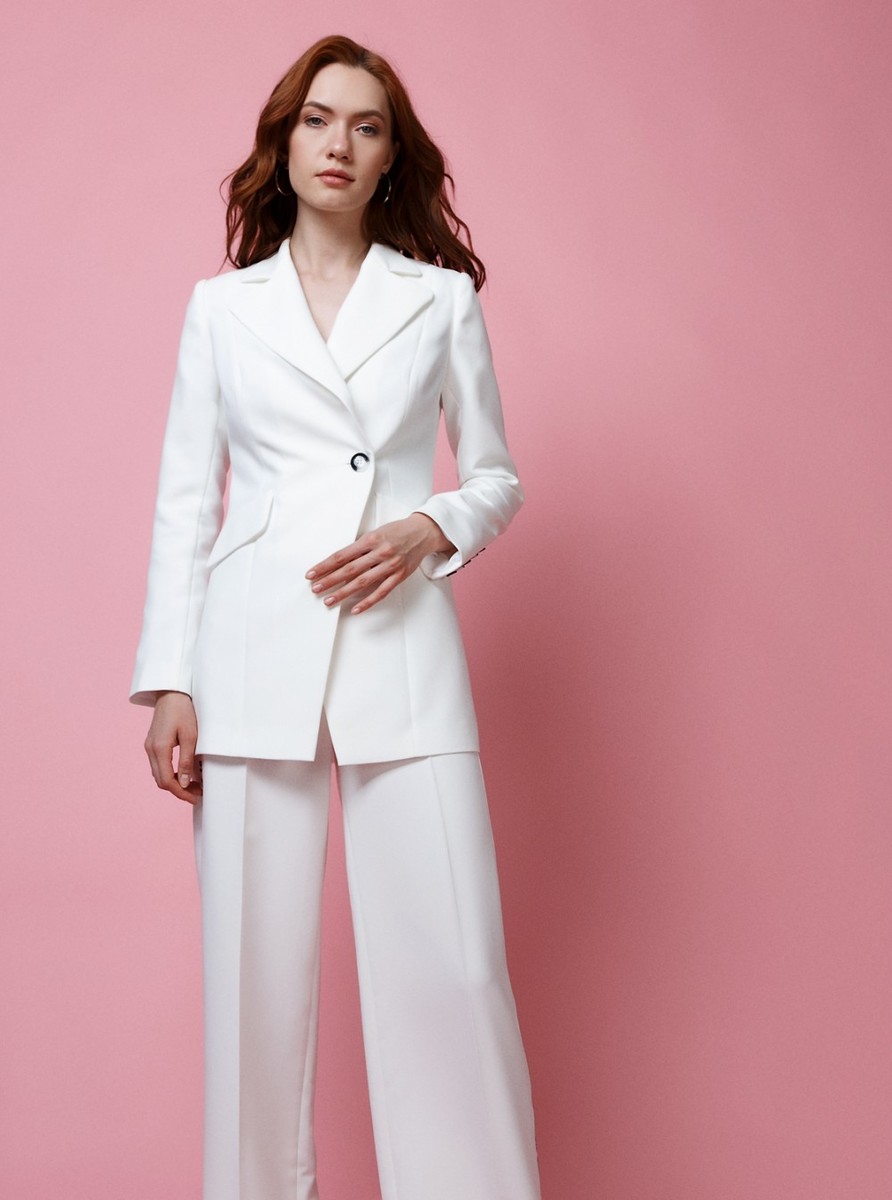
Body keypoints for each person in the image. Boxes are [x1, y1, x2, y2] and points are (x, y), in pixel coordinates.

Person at [130, 33, 541, 1200]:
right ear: (285, 139)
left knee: (454, 968)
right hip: (251, 651)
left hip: (399, 643)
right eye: (318, 119)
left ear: (389, 156)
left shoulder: (439, 300)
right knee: (251, 983)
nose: (338, 144)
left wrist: (429, 528)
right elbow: (185, 502)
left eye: (366, 126)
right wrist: (171, 679)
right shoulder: (223, 309)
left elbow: (497, 475)